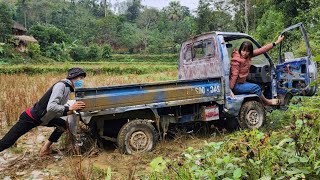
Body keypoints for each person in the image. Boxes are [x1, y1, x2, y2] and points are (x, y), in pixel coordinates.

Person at [0, 67, 86, 156]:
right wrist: (69, 108)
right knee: (7, 142)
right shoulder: (61, 86)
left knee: (62, 125)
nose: (81, 81)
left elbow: (55, 110)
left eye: (82, 79)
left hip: (44, 118)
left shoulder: (68, 89)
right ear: (73, 77)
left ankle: (45, 149)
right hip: (31, 118)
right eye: (80, 78)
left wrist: (69, 111)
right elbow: (51, 107)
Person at [229, 35, 285, 105]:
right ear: (240, 49)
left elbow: (261, 50)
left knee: (261, 85)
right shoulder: (236, 60)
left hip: (242, 82)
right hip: (236, 85)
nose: (245, 53)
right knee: (256, 87)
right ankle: (267, 102)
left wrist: (276, 42)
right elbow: (234, 75)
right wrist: (230, 90)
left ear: (250, 52)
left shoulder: (248, 56)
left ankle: (261, 103)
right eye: (243, 50)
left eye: (247, 51)